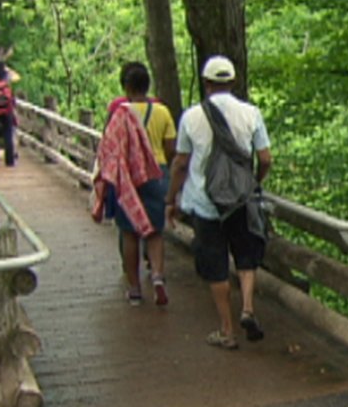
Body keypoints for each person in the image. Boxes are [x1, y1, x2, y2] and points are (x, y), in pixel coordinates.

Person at [166, 55, 272, 349]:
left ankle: (227, 330)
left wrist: (171, 197)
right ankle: (248, 308)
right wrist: (254, 182)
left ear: (207, 83)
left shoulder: (191, 117)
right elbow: (265, 158)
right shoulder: (251, 113)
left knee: (215, 265)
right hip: (241, 200)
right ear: (233, 82)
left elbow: (181, 163)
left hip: (206, 202)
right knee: (246, 256)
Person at [93, 62, 177, 306]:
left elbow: (108, 147)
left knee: (129, 232)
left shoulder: (120, 113)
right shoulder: (162, 112)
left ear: (126, 87)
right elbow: (171, 147)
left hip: (127, 178)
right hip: (157, 174)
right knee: (155, 232)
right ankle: (158, 277)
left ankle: (135, 288)